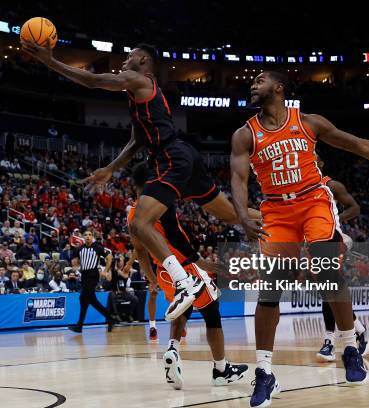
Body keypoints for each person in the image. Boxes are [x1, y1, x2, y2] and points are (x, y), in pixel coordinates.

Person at [229, 71, 369, 407]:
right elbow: (237, 178)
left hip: (313, 201)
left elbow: (363, 147)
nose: (252, 83)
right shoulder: (244, 134)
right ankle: (264, 372)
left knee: (327, 271)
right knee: (270, 290)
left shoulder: (308, 123)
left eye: (260, 80)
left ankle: (350, 346)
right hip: (276, 210)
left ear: (278, 88)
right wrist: (240, 215)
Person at [22, 41, 263, 321]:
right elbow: (137, 140)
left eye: (130, 56)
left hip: (171, 156)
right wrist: (110, 168)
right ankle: (282, 216)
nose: (125, 60)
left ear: (144, 60)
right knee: (234, 216)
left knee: (139, 223)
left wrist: (50, 61)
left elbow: (92, 80)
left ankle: (184, 283)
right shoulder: (139, 94)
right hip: (182, 155)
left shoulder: (137, 79)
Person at [128, 162, 248, 388]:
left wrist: (153, 281)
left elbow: (140, 253)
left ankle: (173, 348)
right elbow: (174, 235)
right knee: (212, 314)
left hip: (163, 272)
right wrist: (200, 261)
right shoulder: (159, 200)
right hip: (185, 266)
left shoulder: (132, 215)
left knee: (185, 307)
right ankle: (221, 370)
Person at [314, 154, 369, 361]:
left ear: (321, 163)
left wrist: (334, 218)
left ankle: (329, 342)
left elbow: (355, 208)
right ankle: (360, 330)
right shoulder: (299, 189)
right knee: (327, 292)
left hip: (333, 239)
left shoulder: (330, 184)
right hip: (312, 243)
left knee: (328, 289)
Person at [68, 230, 116, 333]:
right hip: (84, 275)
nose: (88, 236)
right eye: (85, 235)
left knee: (83, 297)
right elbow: (74, 261)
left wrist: (105, 271)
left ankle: (79, 325)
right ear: (83, 237)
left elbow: (109, 257)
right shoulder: (80, 248)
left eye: (90, 235)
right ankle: (110, 318)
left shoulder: (97, 247)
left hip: (93, 275)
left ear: (92, 237)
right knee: (89, 300)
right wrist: (75, 265)